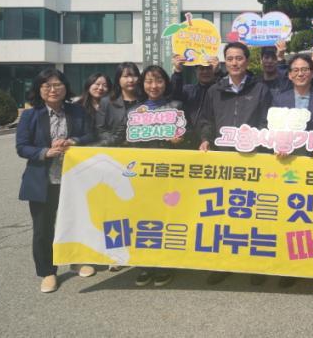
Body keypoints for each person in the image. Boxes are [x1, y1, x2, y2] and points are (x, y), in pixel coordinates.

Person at [198, 41, 273, 286]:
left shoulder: (260, 89)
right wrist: (205, 139)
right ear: (225, 62)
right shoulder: (214, 90)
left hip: (253, 160)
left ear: (247, 61)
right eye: (229, 58)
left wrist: (256, 140)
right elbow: (206, 120)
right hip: (223, 161)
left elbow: (267, 121)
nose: (234, 63)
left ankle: (255, 265)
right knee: (224, 214)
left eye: (239, 58)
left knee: (252, 213)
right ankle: (225, 264)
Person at [15, 68, 94, 293]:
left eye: (57, 85)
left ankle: (77, 260)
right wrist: (45, 152)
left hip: (72, 179)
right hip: (43, 180)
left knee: (75, 222)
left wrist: (74, 141)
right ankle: (48, 272)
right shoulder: (30, 115)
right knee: (43, 229)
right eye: (47, 85)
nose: (53, 89)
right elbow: (22, 147)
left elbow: (90, 135)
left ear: (65, 87)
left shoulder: (77, 111)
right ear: (39, 89)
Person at [272, 54, 313, 289]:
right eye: (295, 70)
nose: (300, 73)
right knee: (291, 218)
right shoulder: (280, 98)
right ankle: (291, 267)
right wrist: (278, 144)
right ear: (289, 75)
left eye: (304, 69)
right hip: (288, 165)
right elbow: (272, 129)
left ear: (312, 72)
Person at [131, 65, 185, 288]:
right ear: (143, 84)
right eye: (149, 81)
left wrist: (180, 140)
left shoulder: (176, 106)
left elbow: (188, 136)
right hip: (142, 174)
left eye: (159, 81)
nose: (154, 86)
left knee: (167, 217)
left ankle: (165, 264)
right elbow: (121, 138)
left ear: (165, 83)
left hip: (168, 172)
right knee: (143, 219)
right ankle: (144, 264)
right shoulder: (135, 110)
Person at [171, 55, 221, 148]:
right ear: (196, 71)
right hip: (188, 141)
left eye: (209, 68)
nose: (205, 72)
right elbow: (174, 95)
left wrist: (218, 73)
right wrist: (177, 72)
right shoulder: (188, 90)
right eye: (201, 68)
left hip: (213, 141)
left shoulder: (220, 91)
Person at [95, 62, 141, 147]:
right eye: (126, 76)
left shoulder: (145, 101)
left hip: (141, 150)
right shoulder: (107, 102)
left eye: (134, 76)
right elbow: (100, 129)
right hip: (115, 149)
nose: (131, 80)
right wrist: (114, 140)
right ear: (118, 79)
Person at [77, 72, 112, 137]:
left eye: (105, 85)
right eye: (97, 84)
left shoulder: (114, 107)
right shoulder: (77, 106)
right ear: (89, 85)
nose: (100, 88)